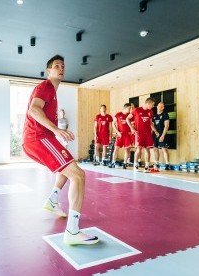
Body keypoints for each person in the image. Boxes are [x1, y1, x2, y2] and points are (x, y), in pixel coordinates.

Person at [22, 55, 98, 245]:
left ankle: (53, 199)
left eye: (63, 66)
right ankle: (72, 231)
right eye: (56, 66)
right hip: (38, 138)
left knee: (69, 166)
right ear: (49, 71)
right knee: (78, 175)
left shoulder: (52, 92)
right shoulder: (45, 86)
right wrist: (56, 130)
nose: (61, 68)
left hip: (40, 138)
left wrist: (55, 131)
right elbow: (33, 110)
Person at [127, 98, 158, 173]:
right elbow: (127, 118)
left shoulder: (150, 111)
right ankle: (135, 165)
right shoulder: (136, 110)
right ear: (148, 103)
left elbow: (151, 123)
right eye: (152, 104)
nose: (153, 106)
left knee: (147, 149)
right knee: (139, 149)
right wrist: (132, 129)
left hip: (147, 134)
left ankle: (146, 166)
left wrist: (155, 131)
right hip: (139, 133)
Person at [109, 103, 133, 169]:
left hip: (127, 135)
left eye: (130, 108)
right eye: (129, 108)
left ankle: (125, 163)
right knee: (116, 149)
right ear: (125, 108)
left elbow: (133, 124)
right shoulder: (118, 114)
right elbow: (113, 124)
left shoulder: (130, 115)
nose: (130, 110)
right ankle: (113, 162)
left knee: (127, 150)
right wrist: (117, 132)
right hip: (120, 135)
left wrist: (132, 130)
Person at [151, 102, 170, 170]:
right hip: (155, 135)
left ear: (163, 108)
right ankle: (157, 163)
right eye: (159, 106)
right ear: (157, 107)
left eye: (162, 106)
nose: (160, 107)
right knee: (155, 149)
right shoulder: (154, 115)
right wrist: (155, 132)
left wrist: (163, 135)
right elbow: (152, 125)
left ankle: (167, 164)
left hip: (162, 134)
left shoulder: (165, 115)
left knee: (164, 149)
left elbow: (166, 126)